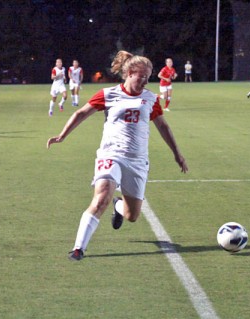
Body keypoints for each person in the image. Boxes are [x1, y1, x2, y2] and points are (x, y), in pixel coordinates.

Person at [47, 50, 189, 261]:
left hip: (137, 161)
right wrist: (62, 135)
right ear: (130, 73)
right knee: (101, 197)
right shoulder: (109, 94)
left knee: (132, 216)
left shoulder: (150, 98)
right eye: (142, 76)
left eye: (148, 77)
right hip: (111, 154)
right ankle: (78, 248)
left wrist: (177, 154)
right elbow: (80, 113)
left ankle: (118, 206)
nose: (145, 81)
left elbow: (163, 126)